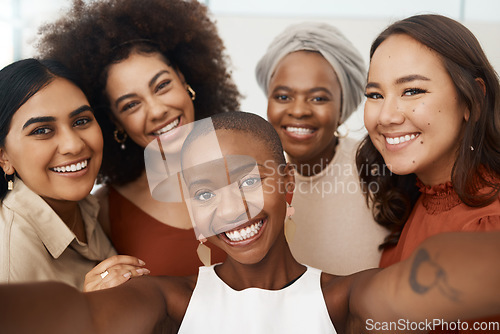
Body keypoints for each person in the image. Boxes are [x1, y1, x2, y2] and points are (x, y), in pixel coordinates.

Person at [1, 112, 500, 334]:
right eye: (202, 193)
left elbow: (442, 283)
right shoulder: (163, 301)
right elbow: (76, 319)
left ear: (288, 185)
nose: (229, 210)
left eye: (245, 180)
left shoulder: (347, 302)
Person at [36, 0, 240, 278]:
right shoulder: (106, 210)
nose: (156, 111)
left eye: (163, 85)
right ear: (115, 122)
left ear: (184, 79)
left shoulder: (253, 167)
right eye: (131, 105)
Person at [356, 14, 500, 332]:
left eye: (412, 91)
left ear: (473, 100)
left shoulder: (488, 227)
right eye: (375, 95)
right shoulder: (417, 197)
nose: (387, 115)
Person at [0, 58, 148, 291]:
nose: (73, 145)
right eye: (42, 130)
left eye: (81, 121)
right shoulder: (8, 256)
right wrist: (86, 311)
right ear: (4, 157)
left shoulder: (85, 206)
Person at [255, 22, 388, 275]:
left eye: (318, 98)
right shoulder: (253, 181)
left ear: (342, 108)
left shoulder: (378, 166)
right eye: (283, 96)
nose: (298, 110)